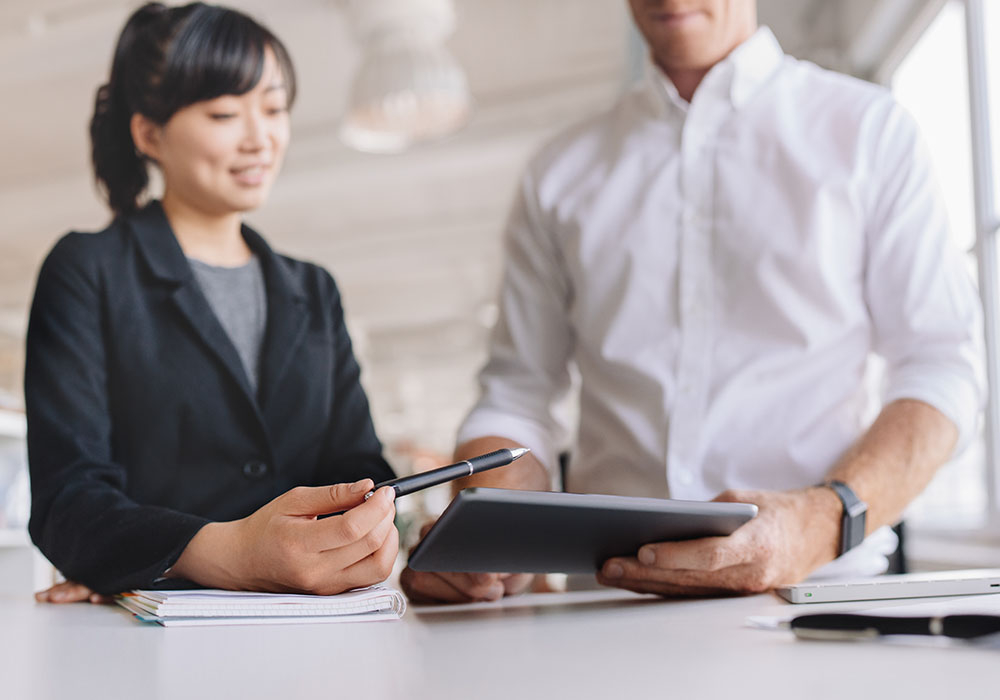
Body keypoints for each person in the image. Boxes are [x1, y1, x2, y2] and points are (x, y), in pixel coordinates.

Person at [401, 0, 983, 603]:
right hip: (606, 606)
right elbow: (515, 397)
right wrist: (494, 531)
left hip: (814, 592)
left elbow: (943, 367)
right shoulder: (558, 173)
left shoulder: (869, 131)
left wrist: (816, 523)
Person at [27, 2, 399, 603]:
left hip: (317, 623)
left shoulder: (313, 290)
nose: (261, 138)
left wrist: (378, 522)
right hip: (156, 627)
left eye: (274, 108)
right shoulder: (89, 270)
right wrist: (225, 554)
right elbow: (67, 495)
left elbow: (357, 464)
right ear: (150, 133)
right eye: (225, 113)